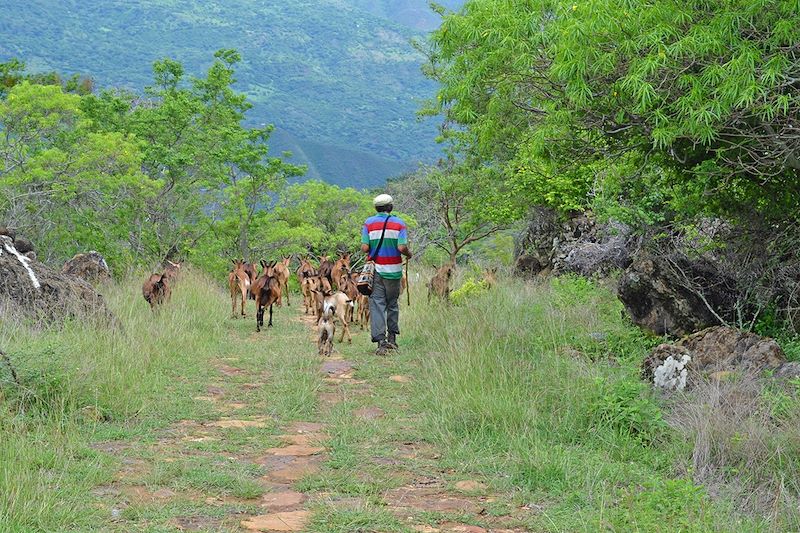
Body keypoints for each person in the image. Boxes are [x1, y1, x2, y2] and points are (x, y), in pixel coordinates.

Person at [361, 194, 412, 355]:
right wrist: (409, 255)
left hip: (376, 271)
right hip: (394, 271)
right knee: (392, 304)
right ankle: (392, 339)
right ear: (390, 207)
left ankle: (381, 343)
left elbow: (364, 247)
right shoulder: (399, 224)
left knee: (377, 304)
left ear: (376, 208)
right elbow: (402, 247)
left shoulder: (368, 223)